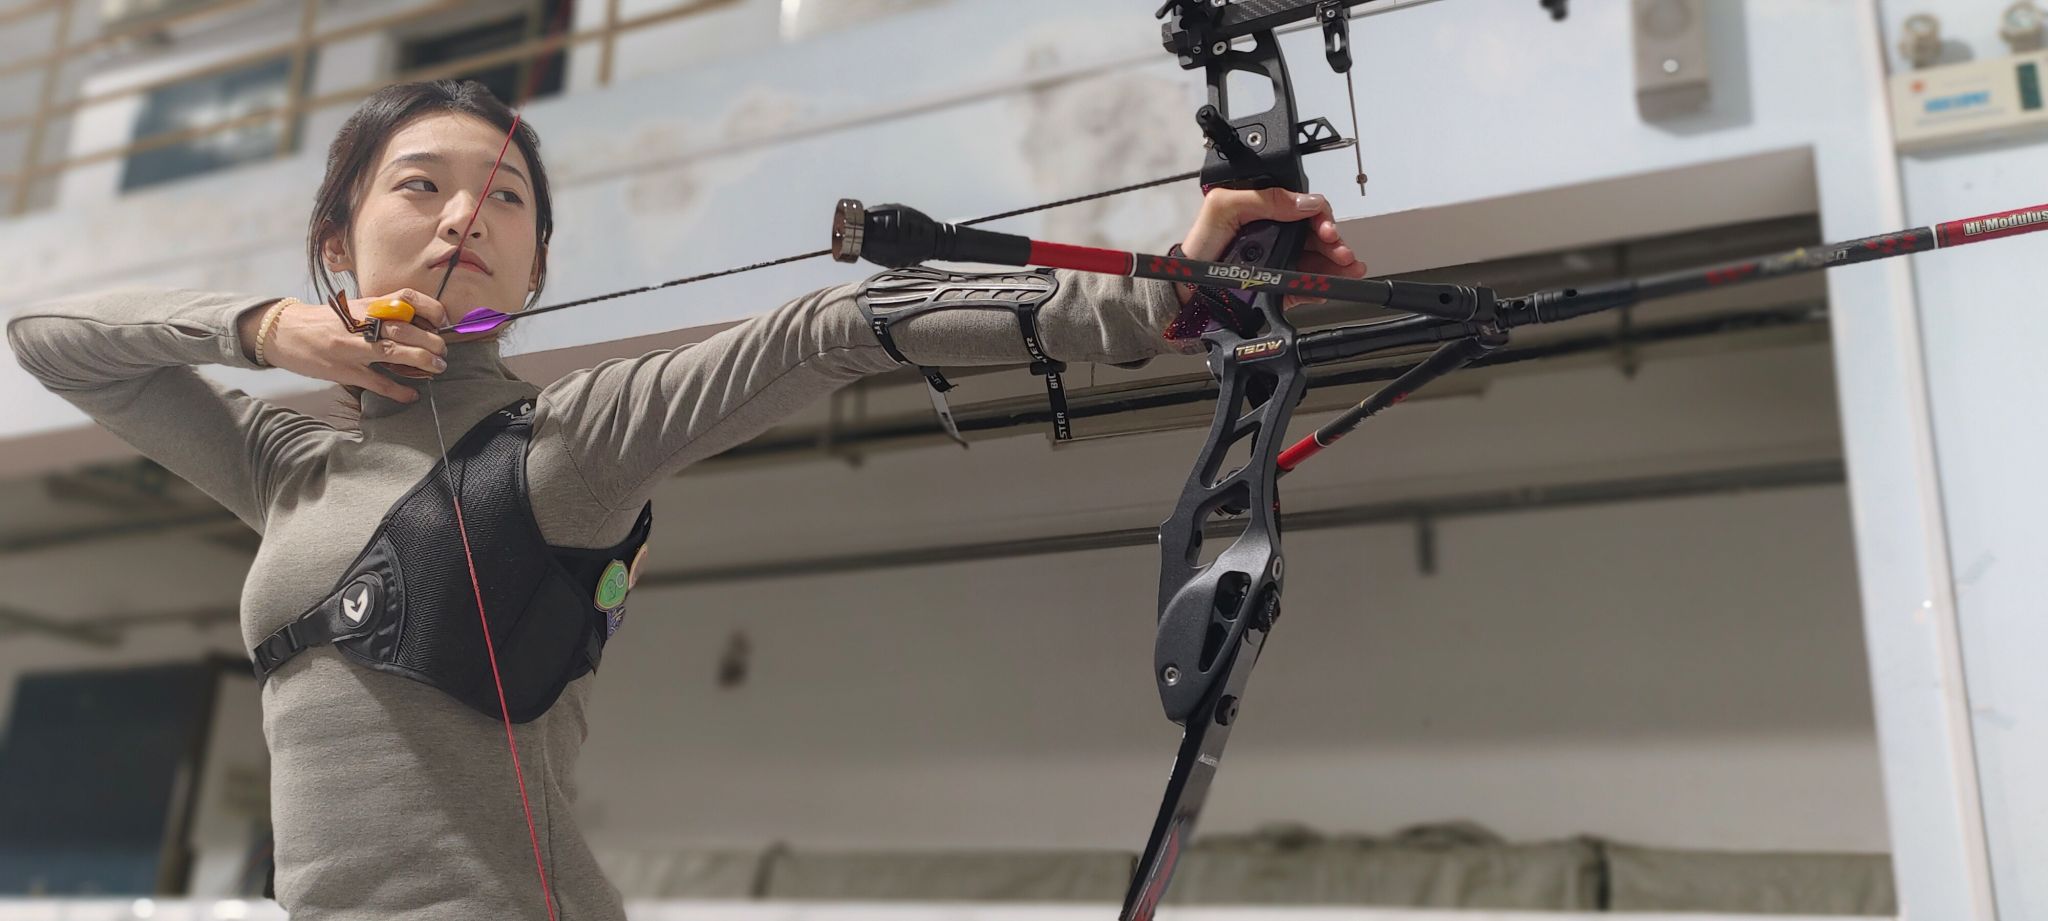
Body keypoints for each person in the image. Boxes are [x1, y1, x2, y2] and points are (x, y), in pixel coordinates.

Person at [6, 79, 1363, 919]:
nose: (464, 216)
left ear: (535, 269)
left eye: (505, 200)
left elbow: (830, 329)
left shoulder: (567, 438)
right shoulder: (283, 464)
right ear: (336, 238)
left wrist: (1146, 300)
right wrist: (263, 329)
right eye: (420, 187)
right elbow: (48, 339)